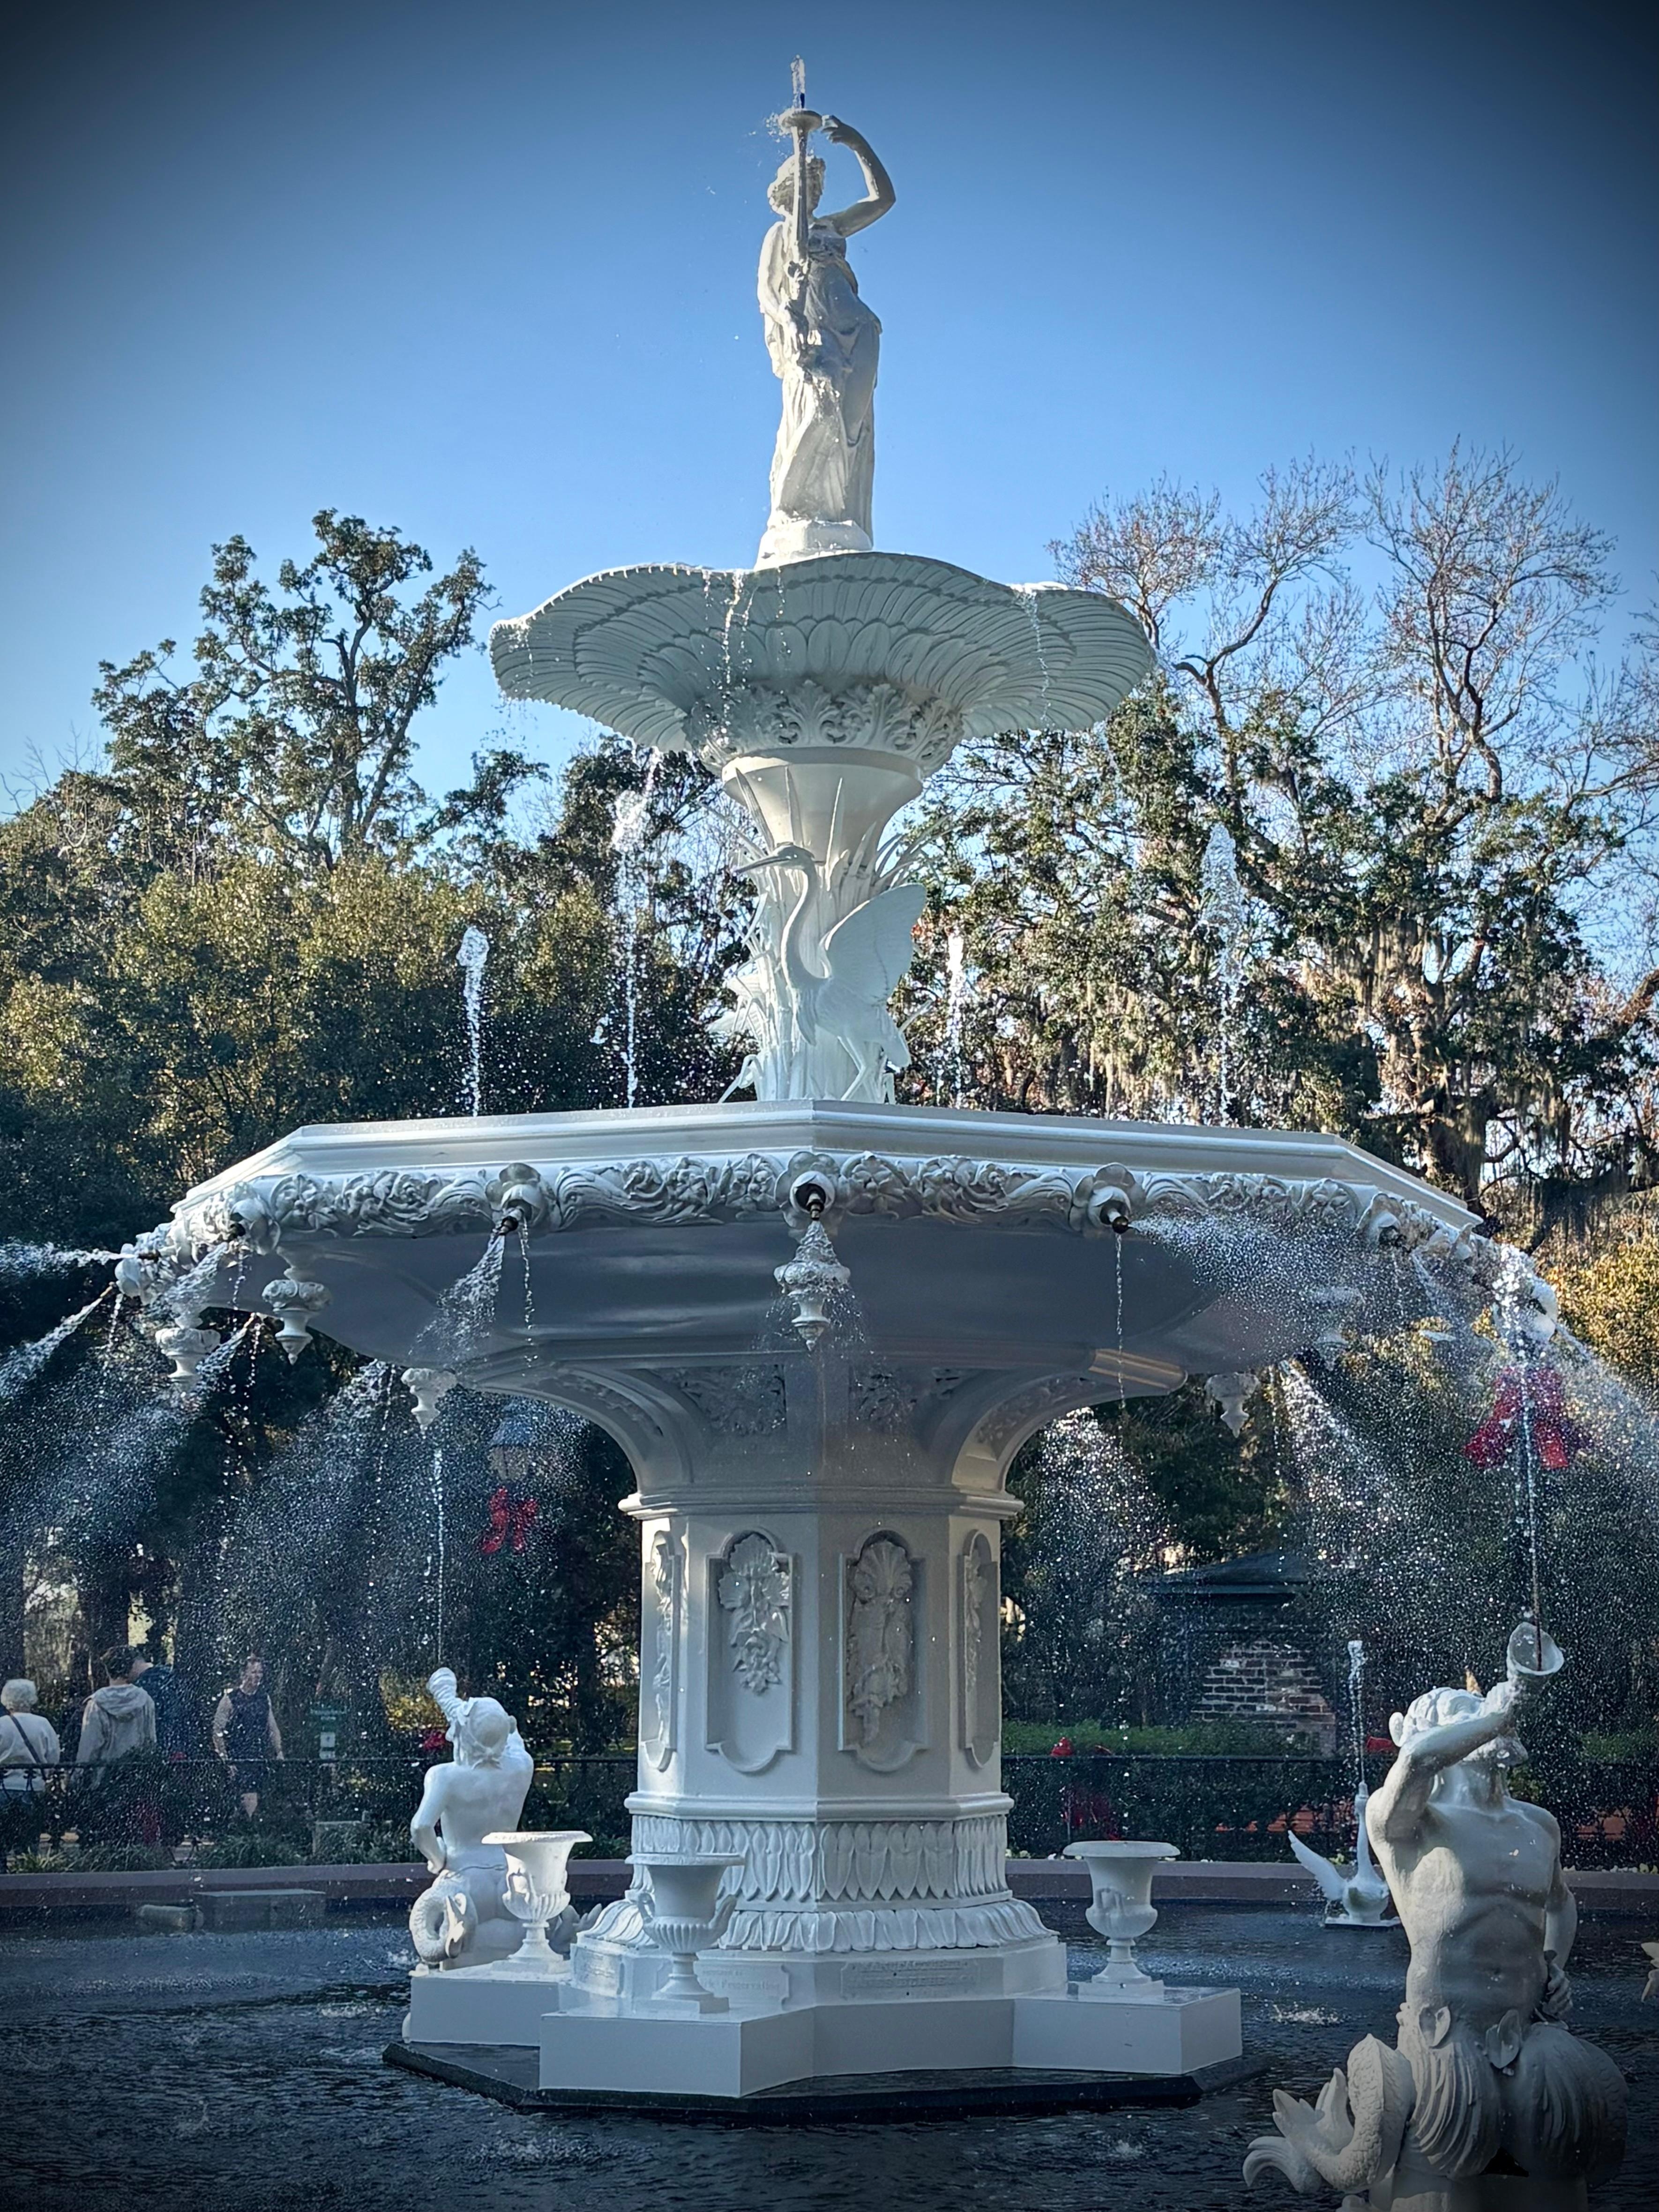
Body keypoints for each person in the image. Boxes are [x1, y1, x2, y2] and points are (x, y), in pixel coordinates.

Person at [1247, 1667, 1628, 2202]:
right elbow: (1418, 1762)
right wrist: (1502, 1710)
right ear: (1429, 1733)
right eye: (1463, 1712)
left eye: (1483, 1710)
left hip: (1529, 2037)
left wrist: (1552, 1962)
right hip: (1447, 2046)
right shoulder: (1405, 1823)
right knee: (1442, 2197)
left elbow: (1561, 1905)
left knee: (1560, 2189)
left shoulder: (1539, 1825)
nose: (1482, 1715)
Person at [755, 114, 894, 565]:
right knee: (818, 407)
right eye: (804, 187)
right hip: (815, 333)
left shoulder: (833, 227)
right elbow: (767, 291)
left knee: (852, 426)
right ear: (786, 192)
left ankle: (836, 510)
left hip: (859, 328)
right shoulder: (780, 235)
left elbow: (883, 199)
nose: (812, 194)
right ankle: (792, 509)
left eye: (816, 187)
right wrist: (790, 324)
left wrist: (858, 143)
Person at [407, 1666, 534, 1969]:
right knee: (514, 1962)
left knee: (452, 1965)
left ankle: (455, 1933)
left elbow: (421, 1827)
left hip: (465, 1882)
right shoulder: (522, 1767)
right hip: (512, 1882)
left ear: (463, 1736)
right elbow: (509, 1737)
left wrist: (437, 1860)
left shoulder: (446, 1777)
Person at [211, 1656, 283, 1818]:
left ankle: (248, 1829)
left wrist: (279, 1751)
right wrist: (226, 1759)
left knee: (257, 1797)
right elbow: (217, 1730)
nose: (257, 1676)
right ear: (244, 1674)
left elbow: (272, 1727)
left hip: (259, 1755)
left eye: (260, 1672)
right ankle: (249, 1830)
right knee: (248, 1796)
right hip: (238, 1757)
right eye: (253, 1672)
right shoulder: (230, 1700)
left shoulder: (264, 1698)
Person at [76, 1649, 158, 1771]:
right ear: (131, 1668)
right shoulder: (145, 1700)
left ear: (108, 1670)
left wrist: (78, 1775)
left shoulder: (97, 1703)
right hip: (136, 1773)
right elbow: (150, 1740)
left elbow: (89, 1746)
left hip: (105, 1775)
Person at [0, 1679, 61, 1794]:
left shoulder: (1, 1724)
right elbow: (53, 1756)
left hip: (3, 1785)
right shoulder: (43, 1723)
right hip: (34, 1785)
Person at [124, 1647, 186, 1759]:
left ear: (131, 1665)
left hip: (164, 1748)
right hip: (182, 1743)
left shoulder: (144, 1686)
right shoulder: (169, 1675)